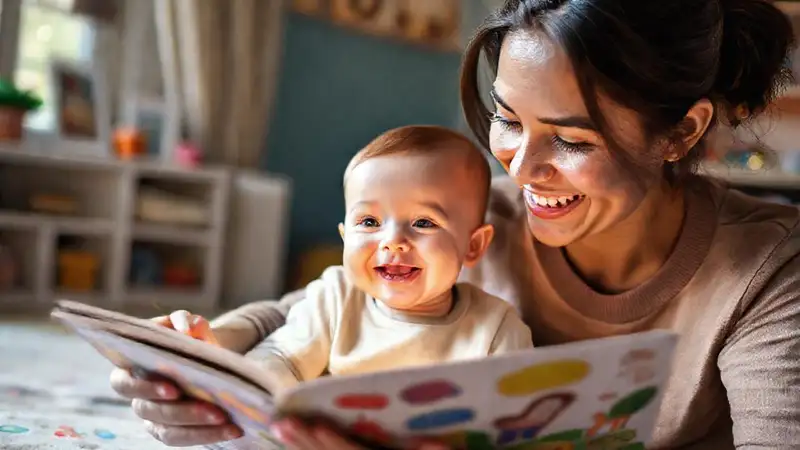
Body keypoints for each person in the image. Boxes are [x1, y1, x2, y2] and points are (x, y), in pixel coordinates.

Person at [110, 0, 800, 448]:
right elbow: (304, 312)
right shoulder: (471, 219)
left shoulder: (768, 272)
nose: (521, 167)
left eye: (571, 140)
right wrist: (195, 359)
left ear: (681, 132)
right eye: (507, 118)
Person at [157, 125, 533, 394]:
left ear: (473, 246)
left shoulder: (496, 330)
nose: (392, 241)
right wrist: (241, 386)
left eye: (423, 222)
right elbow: (281, 358)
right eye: (369, 222)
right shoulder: (337, 297)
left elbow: (513, 413)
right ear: (344, 235)